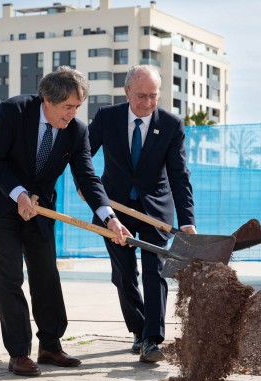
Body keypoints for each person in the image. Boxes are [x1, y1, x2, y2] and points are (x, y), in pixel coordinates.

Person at [0, 66, 129, 377]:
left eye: (77, 107)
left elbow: (88, 178)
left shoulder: (77, 131)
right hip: (0, 201)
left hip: (39, 208)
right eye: (67, 107)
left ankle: (50, 345)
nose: (72, 114)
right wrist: (18, 194)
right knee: (10, 277)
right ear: (47, 100)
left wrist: (109, 218)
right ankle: (18, 353)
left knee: (46, 275)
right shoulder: (13, 111)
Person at [86, 65, 197, 363]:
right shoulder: (107, 118)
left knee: (155, 270)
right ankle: (138, 329)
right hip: (114, 209)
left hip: (156, 210)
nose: (147, 103)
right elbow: (82, 157)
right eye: (140, 96)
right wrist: (91, 192)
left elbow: (179, 175)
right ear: (126, 92)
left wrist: (187, 222)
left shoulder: (172, 125)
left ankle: (152, 339)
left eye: (153, 96)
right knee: (123, 274)